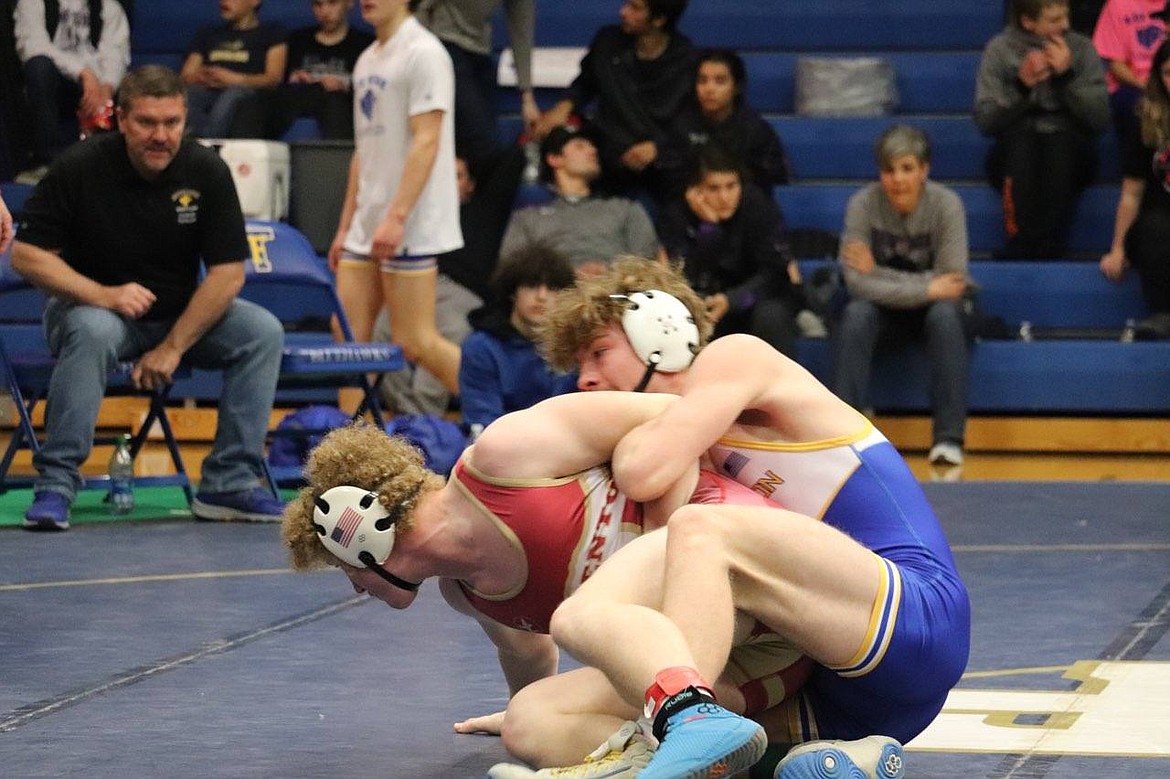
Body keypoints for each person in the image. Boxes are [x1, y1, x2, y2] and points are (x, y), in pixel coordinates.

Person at [494, 257, 970, 779]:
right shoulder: (685, 447)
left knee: (699, 530)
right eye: (578, 367)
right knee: (534, 719)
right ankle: (813, 763)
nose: (584, 380)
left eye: (599, 354)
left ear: (661, 331)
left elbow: (643, 471)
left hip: (913, 619)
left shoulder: (734, 362)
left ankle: (674, 736)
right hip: (819, 699)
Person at [280, 390, 809, 769]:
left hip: (760, 575)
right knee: (528, 725)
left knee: (602, 626)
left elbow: (682, 415)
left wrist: (663, 538)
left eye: (343, 566)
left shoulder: (505, 456)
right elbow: (530, 655)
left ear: (356, 531)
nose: (356, 588)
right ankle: (774, 757)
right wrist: (545, 710)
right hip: (752, 666)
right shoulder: (466, 593)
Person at [10, 65, 286, 530]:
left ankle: (228, 483)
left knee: (262, 331)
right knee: (92, 330)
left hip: (174, 317)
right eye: (147, 123)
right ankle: (56, 483)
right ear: (121, 120)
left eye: (172, 123)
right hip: (90, 309)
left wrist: (173, 346)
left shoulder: (205, 170)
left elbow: (227, 275)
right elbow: (27, 255)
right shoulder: (80, 167)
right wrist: (105, 294)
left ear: (184, 120)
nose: (161, 136)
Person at [329, 0, 464, 397]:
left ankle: (497, 417)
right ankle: (350, 447)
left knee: (414, 340)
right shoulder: (367, 59)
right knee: (348, 342)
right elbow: (363, 151)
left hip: (410, 220)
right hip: (367, 222)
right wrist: (345, 226)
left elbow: (428, 140)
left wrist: (397, 216)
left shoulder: (425, 54)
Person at [833, 124, 973, 468]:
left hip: (936, 312)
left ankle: (948, 439)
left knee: (945, 313)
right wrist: (926, 287)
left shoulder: (947, 205)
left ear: (924, 171)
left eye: (907, 169)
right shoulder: (862, 205)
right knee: (855, 314)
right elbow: (856, 284)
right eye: (889, 170)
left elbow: (952, 281)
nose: (898, 179)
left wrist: (877, 273)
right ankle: (839, 437)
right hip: (885, 313)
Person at [375, 147, 527, 417]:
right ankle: (406, 416)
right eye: (441, 176)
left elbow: (511, 157)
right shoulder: (415, 214)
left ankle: (422, 419)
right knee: (380, 329)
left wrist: (437, 137)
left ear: (470, 184)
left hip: (461, 291)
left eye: (456, 176)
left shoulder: (484, 209)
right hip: (414, 286)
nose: (447, 183)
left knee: (454, 330)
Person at [974, 0, 1110, 259]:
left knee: (1058, 144)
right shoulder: (1000, 49)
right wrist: (1021, 88)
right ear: (1028, 21)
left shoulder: (1081, 48)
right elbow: (986, 121)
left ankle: (1048, 243)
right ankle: (1021, 240)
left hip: (1071, 144)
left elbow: (1100, 120)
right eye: (1055, 20)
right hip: (1015, 145)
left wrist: (1066, 77)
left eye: (1066, 16)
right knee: (1022, 144)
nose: (1066, 25)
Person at [533, 0, 695, 196]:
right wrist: (564, 106)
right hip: (609, 154)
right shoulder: (608, 41)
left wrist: (657, 148)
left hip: (660, 159)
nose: (623, 12)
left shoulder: (686, 59)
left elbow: (691, 119)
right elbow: (586, 83)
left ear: (658, 20)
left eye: (635, 8)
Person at [657, 144, 802, 358]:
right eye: (714, 188)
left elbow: (775, 274)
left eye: (731, 186)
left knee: (771, 315)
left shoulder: (757, 205)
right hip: (706, 303)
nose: (725, 197)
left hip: (756, 300)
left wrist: (732, 300)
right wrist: (709, 230)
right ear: (695, 190)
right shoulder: (677, 215)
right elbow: (685, 277)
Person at [499, 123, 662, 277]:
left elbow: (650, 264)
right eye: (580, 146)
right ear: (555, 159)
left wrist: (609, 273)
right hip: (555, 298)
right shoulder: (527, 219)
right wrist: (568, 276)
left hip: (619, 295)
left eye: (592, 146)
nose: (592, 151)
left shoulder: (625, 209)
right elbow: (510, 269)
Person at [458, 244, 577, 438]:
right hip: (501, 451)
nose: (542, 296)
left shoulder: (573, 347)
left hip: (564, 449)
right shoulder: (481, 347)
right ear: (513, 292)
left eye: (552, 288)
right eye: (532, 285)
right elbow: (482, 423)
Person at [13, 0, 131, 182]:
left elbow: (116, 53)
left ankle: (115, 167)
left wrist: (106, 89)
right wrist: (82, 72)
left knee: (133, 84)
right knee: (38, 66)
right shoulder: (32, 3)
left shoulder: (109, 6)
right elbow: (33, 47)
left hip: (98, 87)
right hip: (55, 82)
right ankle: (47, 162)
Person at [1100, 36, 1170, 340]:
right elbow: (1131, 193)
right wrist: (1117, 248)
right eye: (1168, 73)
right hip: (1160, 222)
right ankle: (1163, 313)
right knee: (1154, 228)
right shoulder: (1147, 119)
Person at [415, 0, 539, 166]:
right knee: (484, 144)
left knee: (481, 148)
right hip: (443, 46)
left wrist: (527, 97)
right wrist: (425, 56)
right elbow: (422, 7)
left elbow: (522, 28)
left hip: (481, 52)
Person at [657, 48, 790, 200]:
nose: (709, 89)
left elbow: (770, 180)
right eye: (702, 80)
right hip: (692, 207)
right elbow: (668, 182)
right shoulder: (680, 127)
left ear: (737, 87)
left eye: (720, 81)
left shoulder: (756, 130)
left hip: (743, 210)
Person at [231, 0, 374, 140]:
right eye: (318, 5)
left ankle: (337, 160)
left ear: (349, 3)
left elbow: (371, 90)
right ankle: (246, 156)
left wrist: (345, 86)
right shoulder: (298, 40)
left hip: (341, 100)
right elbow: (278, 83)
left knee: (334, 102)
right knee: (253, 102)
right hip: (300, 96)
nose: (324, 12)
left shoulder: (364, 44)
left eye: (332, 3)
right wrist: (294, 77)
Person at [180, 0, 288, 138]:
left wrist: (234, 79)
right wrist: (202, 76)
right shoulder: (208, 33)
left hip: (248, 91)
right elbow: (186, 75)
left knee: (233, 95)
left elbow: (273, 78)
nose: (223, 2)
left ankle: (211, 144)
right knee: (189, 94)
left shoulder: (272, 32)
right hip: (208, 88)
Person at [1091, 0, 1166, 149]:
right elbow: (1115, 65)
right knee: (1142, 109)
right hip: (1131, 85)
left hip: (1164, 79)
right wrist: (1151, 87)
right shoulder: (1118, 4)